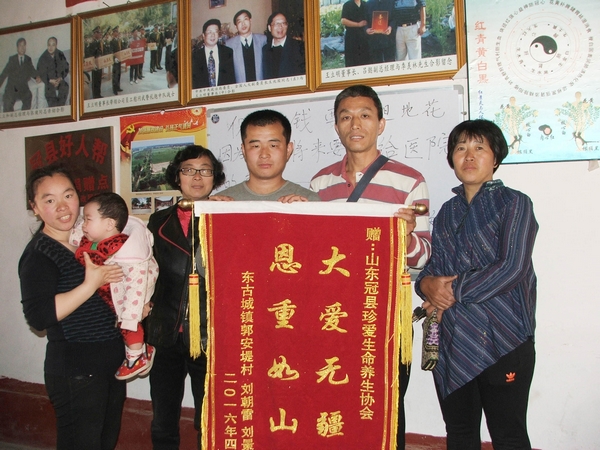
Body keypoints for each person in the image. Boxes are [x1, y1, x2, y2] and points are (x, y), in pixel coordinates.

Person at [310, 84, 431, 449]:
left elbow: (424, 257)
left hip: (386, 316)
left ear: (380, 124)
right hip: (334, 316)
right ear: (336, 126)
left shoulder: (410, 180)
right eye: (346, 117)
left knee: (385, 408)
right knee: (335, 401)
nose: (355, 124)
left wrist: (406, 236)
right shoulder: (320, 183)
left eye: (365, 115)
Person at [414, 119, 538, 450]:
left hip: (504, 339)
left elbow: (511, 268)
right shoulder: (447, 212)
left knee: (508, 435)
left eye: (479, 148)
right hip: (453, 341)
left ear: (495, 157)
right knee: (459, 433)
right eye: (461, 148)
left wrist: (450, 291)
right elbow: (433, 269)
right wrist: (427, 285)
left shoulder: (515, 203)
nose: (469, 156)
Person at [19, 164, 125, 449]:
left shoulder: (87, 243)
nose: (63, 207)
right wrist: (90, 285)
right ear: (35, 208)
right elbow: (39, 316)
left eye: (68, 195)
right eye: (49, 200)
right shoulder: (39, 254)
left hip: (110, 365)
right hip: (76, 370)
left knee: (105, 442)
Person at [145, 145, 226, 448]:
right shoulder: (157, 222)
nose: (197, 177)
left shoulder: (225, 217)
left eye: (205, 170)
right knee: (163, 416)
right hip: (166, 332)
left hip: (209, 335)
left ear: (215, 177)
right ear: (177, 176)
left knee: (208, 416)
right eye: (188, 170)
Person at [70, 193, 158, 381]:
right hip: (108, 296)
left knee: (128, 326)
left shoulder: (128, 250)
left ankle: (136, 358)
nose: (83, 225)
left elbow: (136, 284)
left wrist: (131, 314)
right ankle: (143, 350)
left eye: (88, 219)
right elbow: (73, 236)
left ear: (110, 224)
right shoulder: (89, 239)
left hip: (130, 294)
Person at [215, 109, 320, 202]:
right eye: (256, 146)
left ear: (288, 150)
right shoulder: (220, 203)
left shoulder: (308, 201)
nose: (264, 155)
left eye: (273, 145)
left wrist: (306, 214)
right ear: (244, 150)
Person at [0, 37, 42, 112]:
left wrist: (37, 77)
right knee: (8, 103)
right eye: (20, 45)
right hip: (11, 88)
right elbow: (4, 73)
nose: (22, 48)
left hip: (23, 88)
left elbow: (32, 70)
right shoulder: (12, 59)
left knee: (29, 96)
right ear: (17, 48)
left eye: (24, 45)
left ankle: (23, 116)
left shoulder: (28, 59)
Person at [191, 19, 235, 89]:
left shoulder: (228, 53)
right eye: (209, 32)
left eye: (215, 32)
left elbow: (232, 79)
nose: (213, 35)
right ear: (203, 35)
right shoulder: (195, 56)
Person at [225, 9, 267, 83]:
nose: (243, 24)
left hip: (261, 85)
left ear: (250, 21)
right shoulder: (229, 45)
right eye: (239, 22)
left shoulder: (263, 40)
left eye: (245, 19)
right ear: (236, 26)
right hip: (241, 87)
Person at [262, 12, 305, 79]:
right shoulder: (265, 49)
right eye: (277, 24)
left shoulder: (299, 46)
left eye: (283, 23)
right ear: (269, 28)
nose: (280, 27)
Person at [36, 36, 70, 107]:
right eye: (49, 45)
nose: (50, 47)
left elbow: (66, 67)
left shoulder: (60, 54)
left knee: (65, 86)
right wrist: (50, 80)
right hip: (49, 82)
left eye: (53, 45)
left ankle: (61, 107)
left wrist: (60, 78)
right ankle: (54, 108)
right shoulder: (43, 57)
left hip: (58, 80)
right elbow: (41, 72)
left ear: (56, 46)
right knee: (50, 92)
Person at [341, 0, 369, 67]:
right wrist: (358, 24)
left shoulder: (365, 4)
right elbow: (343, 21)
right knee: (352, 60)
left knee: (365, 59)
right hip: (351, 36)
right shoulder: (347, 5)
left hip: (364, 36)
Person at [89, 26, 105, 98]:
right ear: (95, 34)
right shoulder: (92, 43)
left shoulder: (99, 42)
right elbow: (90, 55)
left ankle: (98, 94)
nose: (100, 34)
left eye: (100, 33)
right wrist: (93, 64)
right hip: (95, 64)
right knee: (95, 80)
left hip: (99, 63)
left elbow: (101, 52)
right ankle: (95, 95)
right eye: (98, 33)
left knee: (99, 79)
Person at [110, 27, 124, 95]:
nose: (117, 33)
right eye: (116, 32)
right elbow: (111, 51)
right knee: (115, 74)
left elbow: (122, 48)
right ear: (113, 33)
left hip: (119, 58)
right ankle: (114, 89)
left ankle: (118, 86)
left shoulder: (119, 40)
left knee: (119, 73)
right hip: (115, 60)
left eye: (118, 32)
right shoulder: (112, 41)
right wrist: (114, 58)